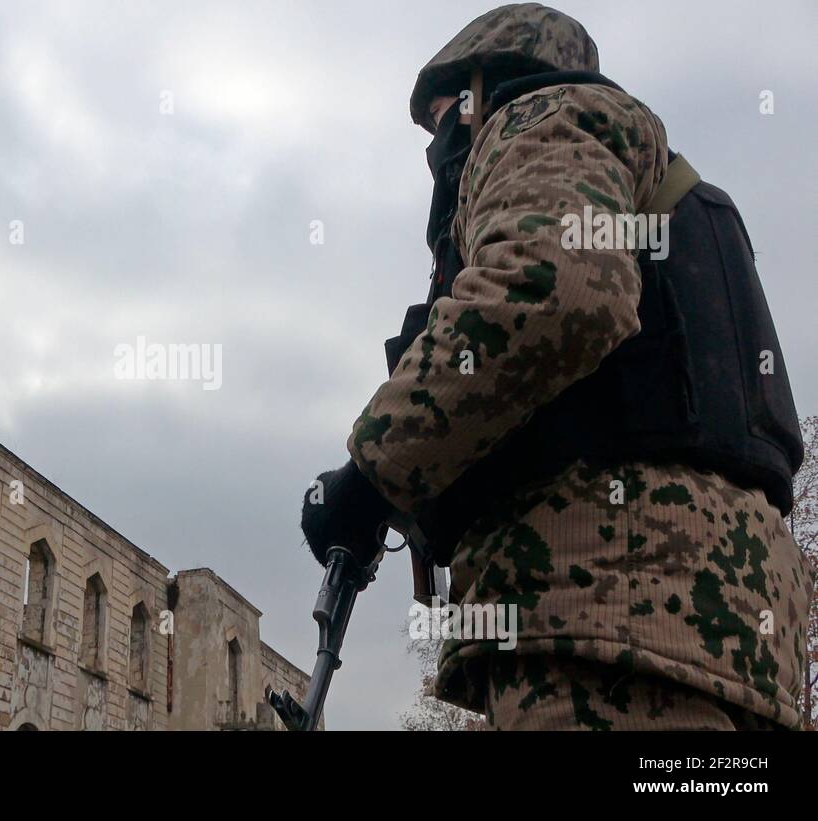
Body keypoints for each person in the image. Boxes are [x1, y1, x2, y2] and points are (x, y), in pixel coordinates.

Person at [301, 3, 813, 729]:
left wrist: (369, 474)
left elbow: (551, 289)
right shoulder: (661, 186)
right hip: (713, 629)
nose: (441, 147)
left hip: (613, 613)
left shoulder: (545, 113)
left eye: (444, 115)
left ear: (485, 90)